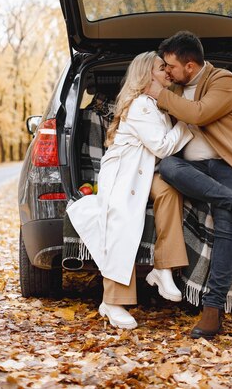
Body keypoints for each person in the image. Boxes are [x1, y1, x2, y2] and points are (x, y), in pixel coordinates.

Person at [147, 31, 232, 339]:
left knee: (226, 220)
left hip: (228, 164)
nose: (167, 72)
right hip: (190, 167)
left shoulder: (224, 80)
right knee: (168, 167)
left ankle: (213, 308)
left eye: (171, 66)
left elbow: (199, 113)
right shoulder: (175, 85)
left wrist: (160, 95)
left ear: (189, 66)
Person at [67, 51, 193, 330]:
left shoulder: (158, 104)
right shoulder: (140, 105)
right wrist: (188, 122)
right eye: (162, 68)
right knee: (120, 221)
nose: (168, 73)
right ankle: (113, 301)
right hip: (125, 171)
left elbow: (161, 149)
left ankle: (164, 268)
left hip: (147, 170)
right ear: (147, 74)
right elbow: (161, 146)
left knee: (170, 193)